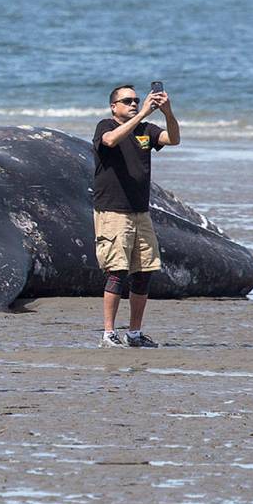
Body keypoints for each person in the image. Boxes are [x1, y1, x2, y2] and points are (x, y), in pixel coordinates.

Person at [92, 83, 180, 348]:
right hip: (113, 211)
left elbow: (173, 139)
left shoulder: (146, 131)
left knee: (144, 272)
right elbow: (109, 141)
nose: (133, 104)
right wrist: (142, 113)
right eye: (127, 101)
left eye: (136, 100)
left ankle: (134, 333)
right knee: (117, 271)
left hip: (141, 212)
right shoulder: (105, 126)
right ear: (113, 106)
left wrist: (167, 112)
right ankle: (109, 333)